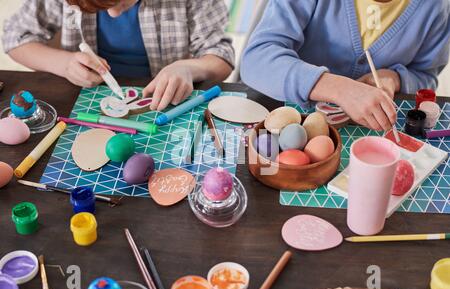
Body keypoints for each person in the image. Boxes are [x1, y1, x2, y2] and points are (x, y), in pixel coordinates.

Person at [241, 0, 450, 131]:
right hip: (284, 118)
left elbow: (425, 76)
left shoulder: (435, 7)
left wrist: (394, 78)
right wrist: (340, 89)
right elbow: (256, 59)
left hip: (364, 133)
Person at [3, 0, 234, 111]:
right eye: (99, 6)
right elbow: (13, 37)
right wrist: (64, 64)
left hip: (167, 102)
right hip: (84, 101)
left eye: (123, 0)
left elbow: (222, 57)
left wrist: (188, 68)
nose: (113, 13)